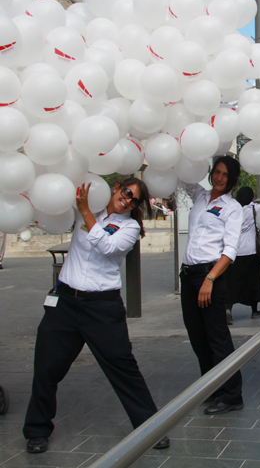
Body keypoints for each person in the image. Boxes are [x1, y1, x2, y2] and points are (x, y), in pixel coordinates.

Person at [23, 178, 169, 454]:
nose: (127, 200)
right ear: (116, 188)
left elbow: (108, 248)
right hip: (66, 302)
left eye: (134, 199)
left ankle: (151, 427)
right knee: (46, 366)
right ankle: (36, 429)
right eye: (126, 192)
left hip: (101, 308)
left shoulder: (130, 227)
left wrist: (87, 214)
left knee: (122, 367)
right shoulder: (89, 208)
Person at [179, 155, 244, 416]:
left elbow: (230, 250)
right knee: (197, 335)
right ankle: (211, 387)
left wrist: (210, 279)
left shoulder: (232, 208)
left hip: (210, 276)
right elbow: (183, 175)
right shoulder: (200, 196)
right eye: (216, 172)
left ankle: (231, 394)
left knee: (216, 336)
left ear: (232, 180)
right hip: (188, 275)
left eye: (225, 174)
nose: (218, 178)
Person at [225, 186, 260, 323]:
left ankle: (228, 310)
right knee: (253, 282)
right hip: (252, 251)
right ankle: (254, 311)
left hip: (234, 252)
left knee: (232, 282)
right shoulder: (254, 208)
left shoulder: (233, 209)